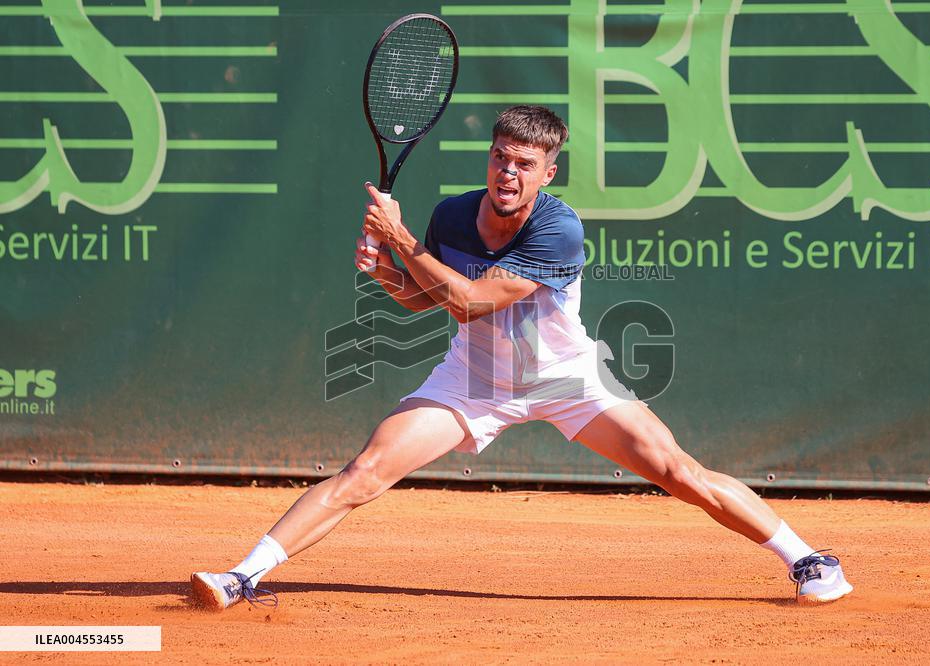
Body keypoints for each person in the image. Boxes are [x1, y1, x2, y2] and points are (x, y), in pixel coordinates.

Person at [191, 106, 853, 610]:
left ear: (547, 171)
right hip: (474, 381)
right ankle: (242, 575)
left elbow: (477, 299)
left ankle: (807, 559)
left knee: (677, 470)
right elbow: (430, 301)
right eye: (501, 158)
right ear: (490, 157)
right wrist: (386, 272)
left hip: (567, 379)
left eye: (525, 164)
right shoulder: (453, 217)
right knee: (366, 470)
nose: (509, 173)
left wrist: (398, 237)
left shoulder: (558, 229)